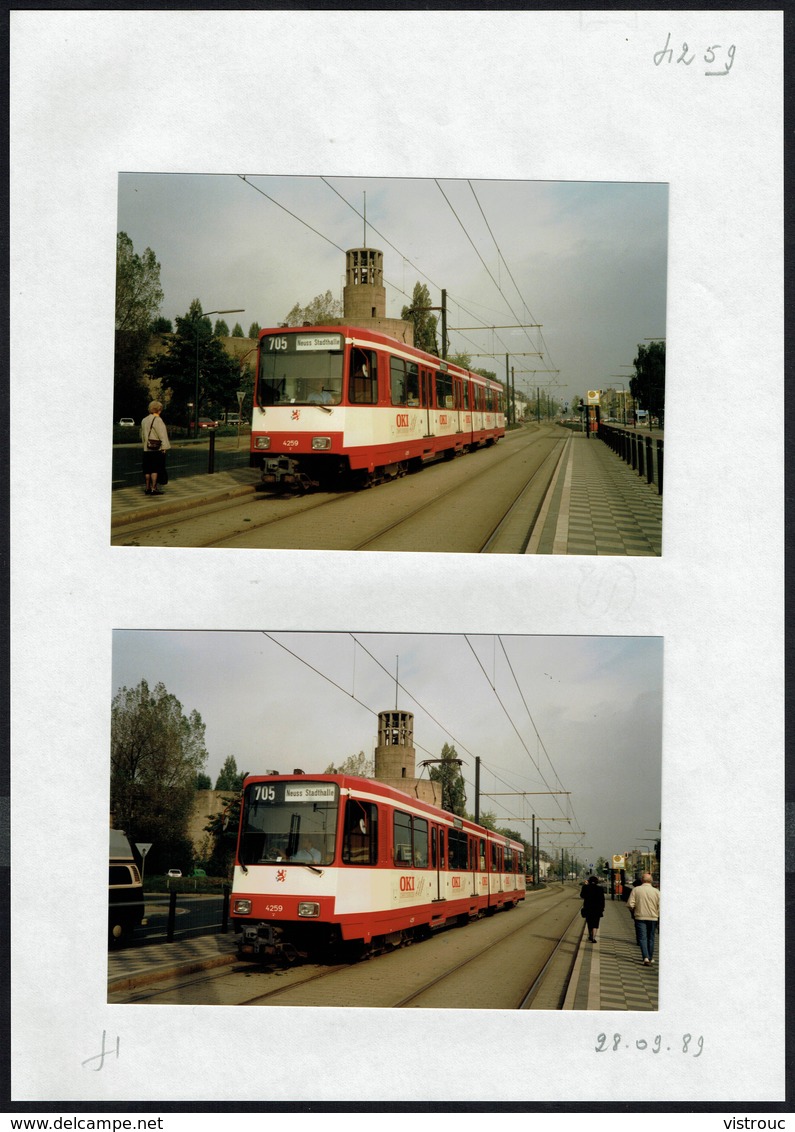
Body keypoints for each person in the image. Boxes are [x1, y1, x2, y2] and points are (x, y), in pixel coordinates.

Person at [627, 872, 660, 965]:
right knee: (651, 938)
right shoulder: (657, 892)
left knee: (642, 938)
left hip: (640, 916)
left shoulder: (636, 890)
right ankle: (650, 957)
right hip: (653, 917)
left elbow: (630, 904)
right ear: (651, 881)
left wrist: (633, 911)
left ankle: (645, 957)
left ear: (642, 880)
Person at [140, 401, 171, 495]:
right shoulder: (158, 420)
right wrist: (164, 447)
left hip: (146, 448)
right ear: (158, 409)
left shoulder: (144, 420)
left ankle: (147, 487)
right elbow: (162, 435)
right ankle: (154, 488)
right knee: (155, 469)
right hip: (156, 449)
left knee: (147, 469)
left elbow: (142, 435)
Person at [579, 875, 605, 943]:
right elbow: (602, 900)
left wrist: (585, 886)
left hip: (588, 908)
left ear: (589, 881)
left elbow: (582, 895)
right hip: (597, 909)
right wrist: (602, 908)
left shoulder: (585, 887)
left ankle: (590, 935)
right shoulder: (600, 889)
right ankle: (593, 937)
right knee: (595, 923)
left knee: (589, 922)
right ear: (597, 882)